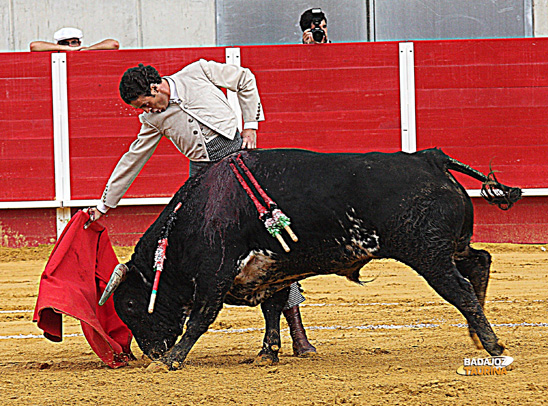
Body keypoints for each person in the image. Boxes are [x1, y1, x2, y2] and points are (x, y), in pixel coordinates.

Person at [84, 59, 316, 356]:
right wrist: (105, 205)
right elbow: (133, 159)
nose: (147, 111)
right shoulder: (152, 121)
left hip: (241, 161)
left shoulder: (198, 72)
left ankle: (298, 334)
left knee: (272, 242)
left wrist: (251, 125)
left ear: (156, 88)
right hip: (204, 180)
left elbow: (245, 78)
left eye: (146, 103)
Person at [30, 27, 119, 52]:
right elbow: (34, 46)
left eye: (73, 42)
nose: (70, 45)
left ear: (79, 43)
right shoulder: (55, 51)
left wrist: (88, 49)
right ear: (58, 44)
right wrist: (68, 49)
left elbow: (114, 44)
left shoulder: (85, 52)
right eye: (64, 43)